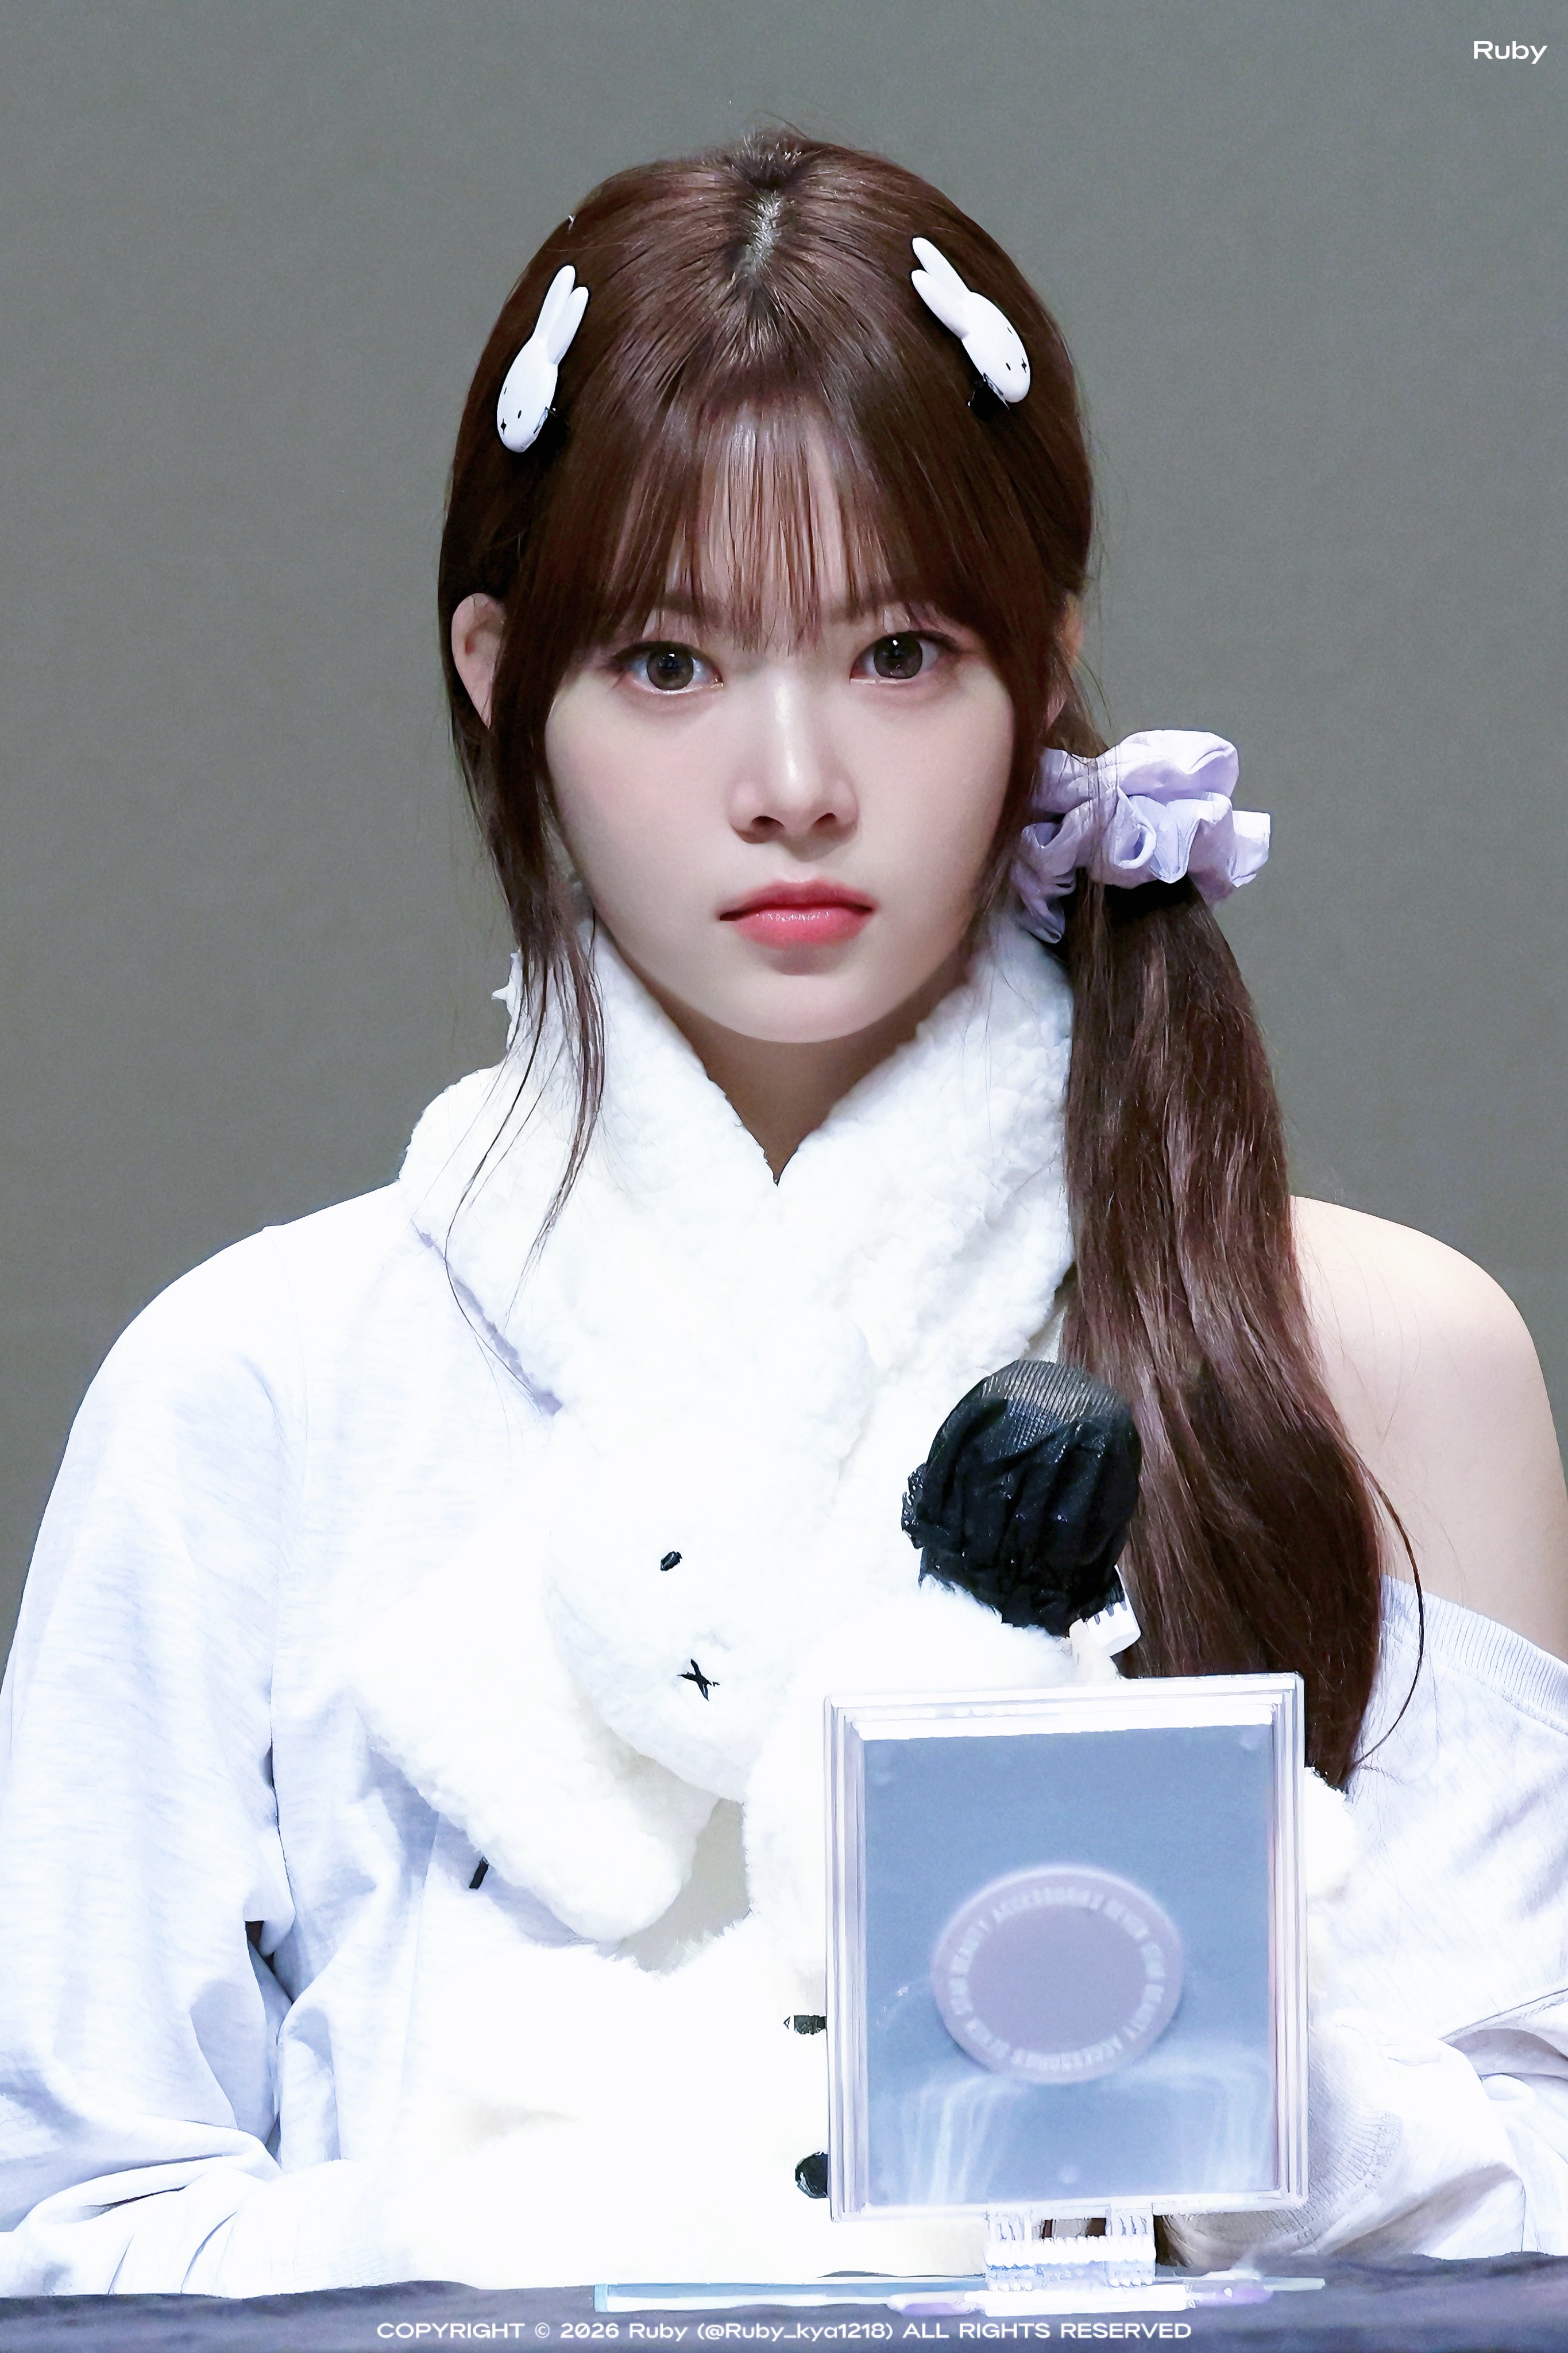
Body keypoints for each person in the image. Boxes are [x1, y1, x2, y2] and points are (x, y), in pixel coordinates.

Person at [1, 127, 1565, 2298]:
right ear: (498, 675)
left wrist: (1163, 2054)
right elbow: (64, 2226)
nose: (795, 781)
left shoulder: (1365, 1350)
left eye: (901, 651)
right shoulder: (254, 1389)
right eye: (667, 663)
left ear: (1046, 664)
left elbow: (1530, 2210)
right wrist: (594, 2216)